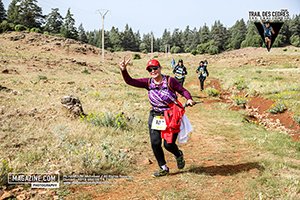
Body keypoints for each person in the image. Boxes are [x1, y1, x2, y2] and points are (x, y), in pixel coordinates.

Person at [119, 58, 195, 177]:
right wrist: (123, 70)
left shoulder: (170, 81)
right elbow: (130, 81)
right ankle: (163, 167)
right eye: (150, 69)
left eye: (155, 68)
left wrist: (189, 98)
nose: (153, 71)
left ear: (160, 68)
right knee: (155, 143)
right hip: (155, 115)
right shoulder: (148, 83)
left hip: (171, 115)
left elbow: (183, 90)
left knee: (168, 145)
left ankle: (178, 154)